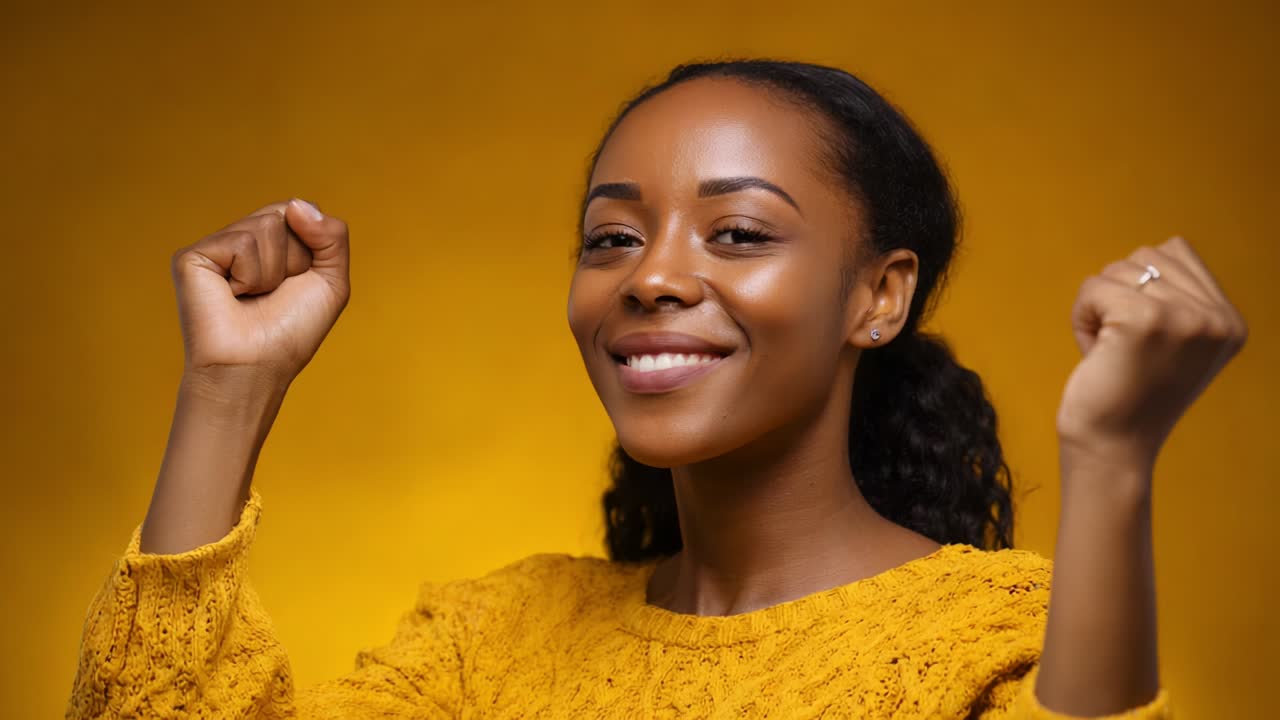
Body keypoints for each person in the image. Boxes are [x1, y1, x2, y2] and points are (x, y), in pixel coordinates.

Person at [65, 59, 1246, 719]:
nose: (654, 277)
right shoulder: (486, 644)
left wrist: (1110, 459)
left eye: (735, 233)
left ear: (877, 298)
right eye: (610, 239)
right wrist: (228, 389)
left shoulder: (1010, 636)